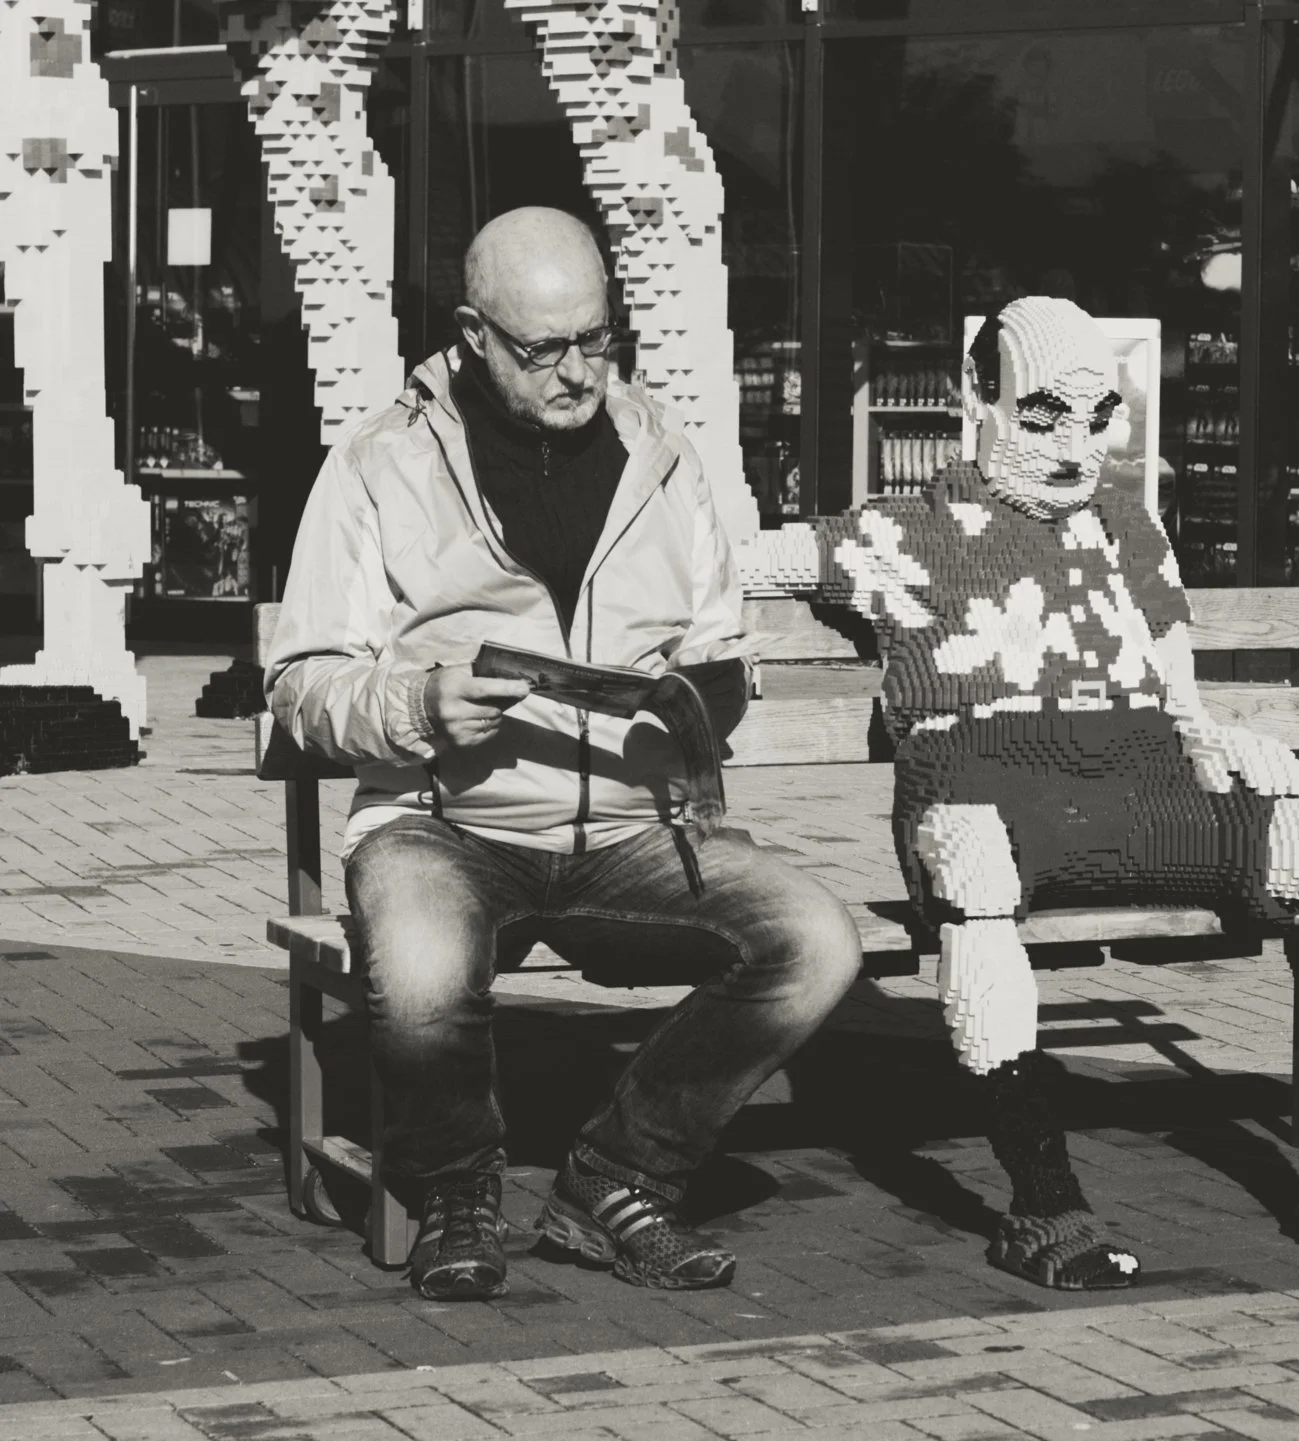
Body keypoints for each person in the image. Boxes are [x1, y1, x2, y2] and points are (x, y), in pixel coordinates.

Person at [745, 296, 1299, 1285]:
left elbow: (1168, 652)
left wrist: (1214, 734)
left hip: (1142, 774)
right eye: (1041, 414)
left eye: (1097, 415)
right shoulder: (898, 532)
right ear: (979, 396)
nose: (1074, 445)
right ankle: (1044, 1203)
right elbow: (739, 567)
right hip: (980, 782)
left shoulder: (1122, 520)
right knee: (973, 865)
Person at [266, 207, 863, 1302]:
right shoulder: (378, 463)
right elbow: (300, 683)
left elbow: (717, 643)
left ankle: (616, 1180)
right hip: (445, 825)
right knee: (423, 959)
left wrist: (698, 704)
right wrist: (419, 706)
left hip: (631, 831)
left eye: (598, 338)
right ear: (473, 332)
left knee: (817, 941)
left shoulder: (664, 450)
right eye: (544, 349)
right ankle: (452, 1185)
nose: (580, 372)